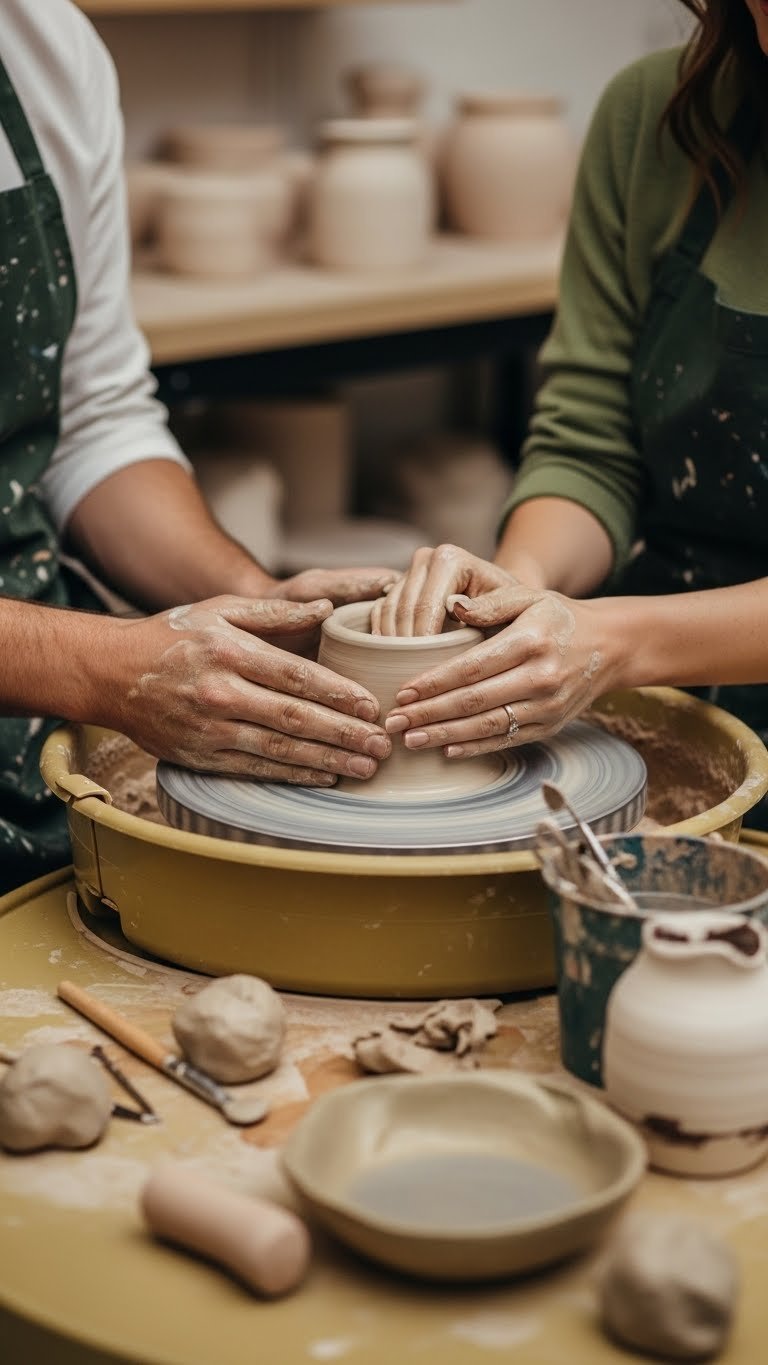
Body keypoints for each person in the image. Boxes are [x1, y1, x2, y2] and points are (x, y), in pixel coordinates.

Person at [0, 0, 396, 893]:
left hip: (31, 748)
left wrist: (253, 600)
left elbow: (92, 417)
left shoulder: (43, 47)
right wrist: (103, 668)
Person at [373, 0, 768, 823]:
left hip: (644, 650)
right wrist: (520, 592)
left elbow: (617, 641)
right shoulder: (658, 118)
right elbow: (592, 442)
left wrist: (615, 641)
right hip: (670, 687)